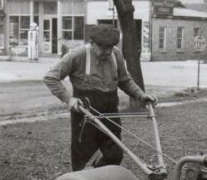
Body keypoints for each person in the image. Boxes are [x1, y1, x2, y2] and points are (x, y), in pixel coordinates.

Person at [44, 24, 157, 171]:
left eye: (110, 48)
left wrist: (141, 95)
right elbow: (50, 77)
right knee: (82, 158)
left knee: (115, 155)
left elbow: (124, 80)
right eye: (103, 48)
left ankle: (96, 173)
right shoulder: (77, 55)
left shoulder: (116, 54)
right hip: (85, 110)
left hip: (110, 107)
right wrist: (69, 99)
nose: (107, 52)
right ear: (92, 43)